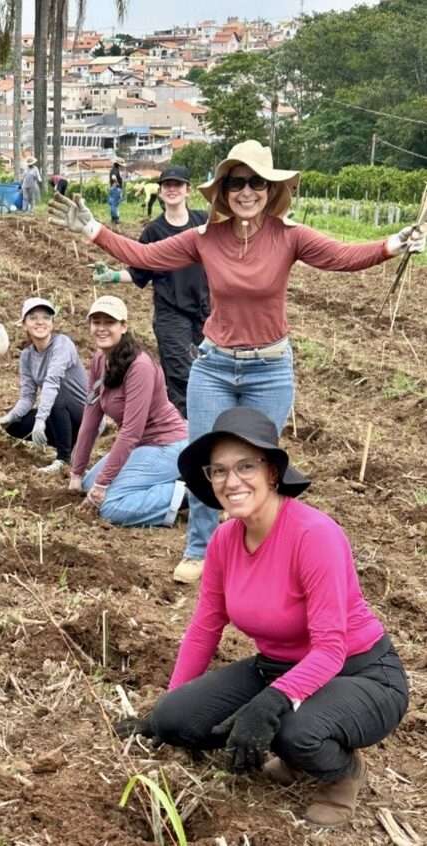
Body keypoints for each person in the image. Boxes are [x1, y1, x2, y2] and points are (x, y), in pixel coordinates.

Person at [47, 138, 426, 585]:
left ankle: (266, 550)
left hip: (270, 368)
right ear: (223, 192)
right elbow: (146, 258)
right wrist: (94, 230)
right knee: (208, 458)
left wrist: (394, 243)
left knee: (265, 463)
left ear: (270, 189)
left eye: (256, 183)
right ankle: (201, 548)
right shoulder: (206, 239)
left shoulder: (290, 237)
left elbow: (342, 257)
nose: (246, 192)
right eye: (236, 183)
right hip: (215, 365)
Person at [116, 407, 408, 828]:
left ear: (272, 472)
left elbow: (330, 649)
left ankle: (341, 774)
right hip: (277, 668)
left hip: (358, 672)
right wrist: (166, 705)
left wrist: (269, 705)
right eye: (219, 471)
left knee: (294, 731)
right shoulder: (223, 540)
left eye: (245, 466)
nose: (231, 481)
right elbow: (204, 627)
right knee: (176, 721)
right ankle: (290, 743)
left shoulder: (315, 535)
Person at [93, 166, 209, 420]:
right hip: (171, 313)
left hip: (206, 311)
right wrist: (112, 275)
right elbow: (138, 272)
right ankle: (184, 431)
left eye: (177, 185)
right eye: (166, 185)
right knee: (181, 374)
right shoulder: (154, 232)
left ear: (188, 190)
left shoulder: (204, 223)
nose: (172, 189)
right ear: (160, 191)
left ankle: (207, 425)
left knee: (209, 371)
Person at [69, 295, 188, 527]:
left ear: (123, 326)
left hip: (165, 444)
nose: (101, 328)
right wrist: (77, 471)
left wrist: (103, 484)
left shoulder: (140, 366)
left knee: (109, 506)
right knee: (87, 485)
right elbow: (90, 419)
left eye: (109, 323)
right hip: (140, 447)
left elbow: (131, 432)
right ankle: (154, 483)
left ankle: (190, 495)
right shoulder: (99, 360)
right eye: (96, 322)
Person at [0, 297, 87, 474]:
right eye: (33, 317)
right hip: (59, 412)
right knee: (16, 424)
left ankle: (63, 458)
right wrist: (10, 416)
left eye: (46, 317)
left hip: (84, 413)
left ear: (52, 324)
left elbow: (52, 383)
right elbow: (28, 396)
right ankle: (71, 442)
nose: (40, 322)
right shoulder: (27, 356)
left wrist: (40, 421)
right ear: (24, 324)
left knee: (55, 394)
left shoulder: (62, 344)